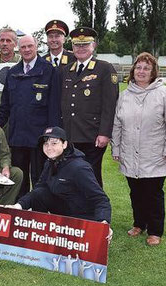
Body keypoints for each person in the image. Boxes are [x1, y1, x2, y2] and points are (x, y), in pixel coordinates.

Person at [111, 52, 166, 246]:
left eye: (146, 68)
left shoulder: (165, 94)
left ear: (153, 72)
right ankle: (139, 224)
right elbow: (117, 124)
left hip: (156, 154)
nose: (141, 71)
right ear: (133, 71)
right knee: (135, 191)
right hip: (129, 152)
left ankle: (155, 230)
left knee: (153, 192)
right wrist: (116, 147)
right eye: (138, 68)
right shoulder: (125, 95)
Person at [0, 35, 61, 198]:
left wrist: (52, 135)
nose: (26, 50)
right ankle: (21, 208)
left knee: (40, 177)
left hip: (40, 137)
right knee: (19, 177)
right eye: (23, 47)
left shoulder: (49, 70)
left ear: (36, 46)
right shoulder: (13, 72)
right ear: (18, 48)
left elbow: (54, 106)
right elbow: (5, 107)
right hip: (17, 136)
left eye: (30, 46)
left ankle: (39, 210)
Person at [9, 127, 112, 227]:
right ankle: (41, 228)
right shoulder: (50, 162)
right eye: (46, 143)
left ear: (65, 144)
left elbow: (100, 199)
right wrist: (18, 206)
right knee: (39, 193)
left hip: (82, 216)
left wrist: (104, 223)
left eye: (54, 143)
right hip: (64, 209)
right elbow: (39, 188)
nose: (49, 148)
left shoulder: (79, 168)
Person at [60, 27, 118, 188]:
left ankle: (95, 212)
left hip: (92, 136)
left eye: (85, 44)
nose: (80, 48)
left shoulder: (104, 68)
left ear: (94, 46)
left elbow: (110, 104)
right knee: (71, 177)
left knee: (90, 177)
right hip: (70, 135)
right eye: (77, 45)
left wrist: (105, 133)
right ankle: (74, 213)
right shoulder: (67, 70)